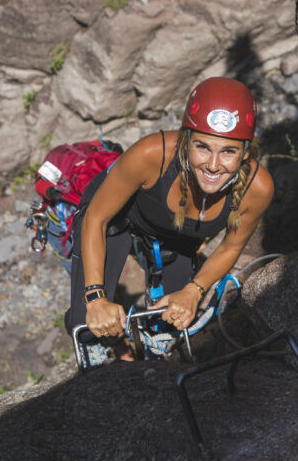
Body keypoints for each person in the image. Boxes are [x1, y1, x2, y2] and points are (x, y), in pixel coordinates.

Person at [65, 76, 274, 357]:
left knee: (169, 323)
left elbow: (231, 246)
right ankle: (117, 349)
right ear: (186, 140)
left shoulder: (257, 188)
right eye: (202, 147)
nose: (213, 165)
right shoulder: (152, 155)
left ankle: (145, 350)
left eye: (228, 151)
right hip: (116, 220)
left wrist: (194, 290)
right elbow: (96, 219)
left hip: (175, 236)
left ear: (245, 151)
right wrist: (94, 297)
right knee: (89, 327)